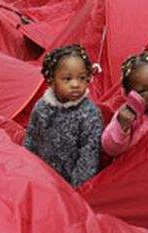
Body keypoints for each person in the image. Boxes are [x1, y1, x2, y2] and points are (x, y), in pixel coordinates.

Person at [23, 44, 103, 188]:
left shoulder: (90, 113)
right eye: (67, 79)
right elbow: (30, 141)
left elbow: (88, 157)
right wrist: (27, 173)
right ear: (52, 79)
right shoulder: (41, 107)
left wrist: (75, 190)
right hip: (41, 181)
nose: (75, 84)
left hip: (70, 188)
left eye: (82, 78)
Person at [102, 51, 148, 157]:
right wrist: (122, 126)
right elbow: (110, 149)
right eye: (142, 91)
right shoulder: (130, 116)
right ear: (128, 95)